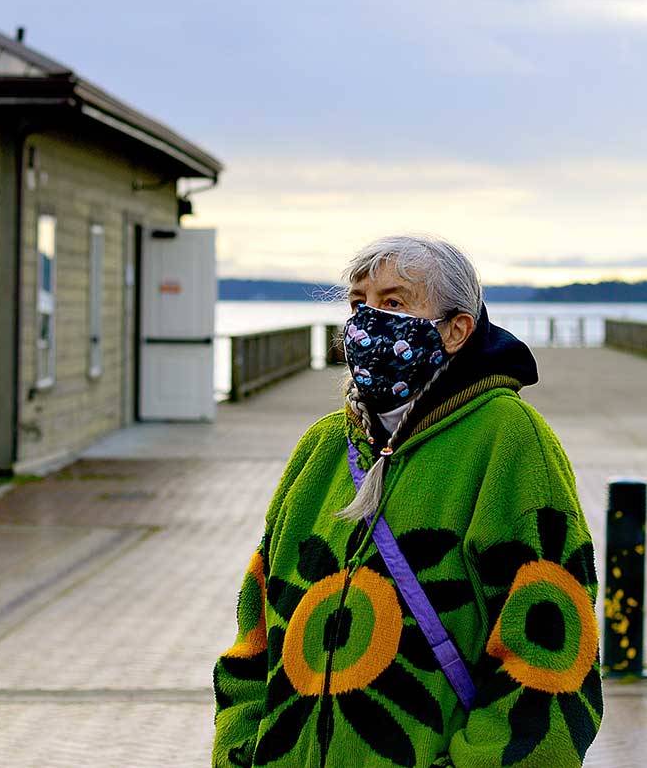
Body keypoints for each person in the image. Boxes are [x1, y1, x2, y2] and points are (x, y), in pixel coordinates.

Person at [212, 235, 602, 767]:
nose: (368, 322)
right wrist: (238, 752)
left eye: (394, 302)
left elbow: (551, 654)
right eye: (358, 304)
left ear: (456, 330)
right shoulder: (324, 446)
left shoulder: (507, 439)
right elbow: (255, 624)